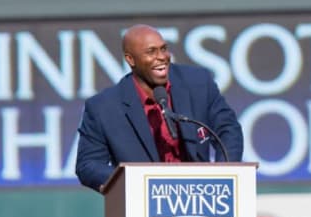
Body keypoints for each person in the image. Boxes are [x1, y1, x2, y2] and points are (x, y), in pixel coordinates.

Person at [75, 24, 244, 192]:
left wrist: (224, 174)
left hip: (200, 196)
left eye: (164, 49)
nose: (161, 57)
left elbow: (227, 129)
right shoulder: (103, 107)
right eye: (151, 52)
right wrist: (133, 181)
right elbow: (88, 165)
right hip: (142, 201)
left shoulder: (198, 82)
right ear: (130, 59)